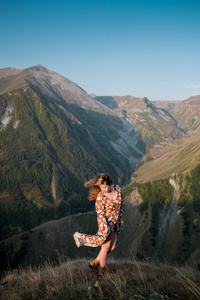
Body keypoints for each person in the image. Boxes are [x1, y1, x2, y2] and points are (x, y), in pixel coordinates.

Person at [73, 173, 125, 275]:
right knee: (105, 247)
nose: (103, 190)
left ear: (110, 183)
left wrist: (121, 218)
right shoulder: (100, 197)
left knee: (112, 247)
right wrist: (104, 228)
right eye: (101, 188)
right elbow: (100, 215)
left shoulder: (117, 189)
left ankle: (95, 262)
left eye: (105, 187)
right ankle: (103, 270)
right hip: (106, 224)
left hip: (116, 222)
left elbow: (121, 203)